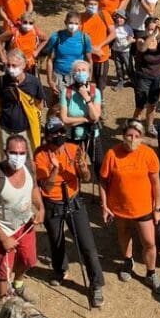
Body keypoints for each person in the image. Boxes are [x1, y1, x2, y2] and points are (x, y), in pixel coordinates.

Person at [34, 118, 105, 305]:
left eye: (61, 132)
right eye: (53, 133)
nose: (58, 136)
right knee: (56, 241)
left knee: (87, 244)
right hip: (52, 203)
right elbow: (47, 188)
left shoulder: (73, 149)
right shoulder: (40, 155)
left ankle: (96, 284)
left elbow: (87, 178)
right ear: (47, 135)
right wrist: (55, 169)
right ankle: (60, 269)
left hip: (73, 201)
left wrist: (82, 167)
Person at [99, 119, 160, 294]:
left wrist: (158, 208)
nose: (133, 139)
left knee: (149, 242)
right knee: (124, 234)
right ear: (123, 135)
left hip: (144, 208)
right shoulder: (112, 154)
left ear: (142, 137)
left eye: (137, 136)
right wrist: (104, 205)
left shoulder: (148, 154)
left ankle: (151, 272)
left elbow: (156, 183)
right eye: (129, 135)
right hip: (119, 207)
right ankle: (128, 262)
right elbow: (103, 181)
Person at [0, 135, 43, 300]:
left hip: (26, 225)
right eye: (13, 152)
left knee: (27, 259)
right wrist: (3, 238)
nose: (18, 157)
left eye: (22, 153)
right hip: (4, 230)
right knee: (3, 273)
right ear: (5, 152)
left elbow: (34, 188)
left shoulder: (30, 167)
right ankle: (2, 305)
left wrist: (41, 208)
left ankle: (18, 284)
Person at [0, 49, 44, 151]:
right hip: (5, 128)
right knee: (7, 159)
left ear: (24, 65)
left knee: (27, 160)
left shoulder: (34, 82)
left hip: (26, 130)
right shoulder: (1, 81)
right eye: (8, 65)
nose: (11, 69)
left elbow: (39, 103)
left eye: (14, 65)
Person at [58, 59, 103, 171]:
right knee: (72, 167)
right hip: (72, 136)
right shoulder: (66, 92)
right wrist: (86, 119)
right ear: (73, 74)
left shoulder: (95, 92)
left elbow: (95, 117)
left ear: (88, 73)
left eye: (83, 70)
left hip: (92, 136)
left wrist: (87, 98)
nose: (80, 73)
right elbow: (64, 119)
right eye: (77, 71)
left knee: (100, 166)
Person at [131, 17, 160, 131]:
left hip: (157, 77)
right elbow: (143, 48)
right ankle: (134, 127)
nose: (151, 31)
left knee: (152, 104)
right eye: (149, 29)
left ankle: (149, 126)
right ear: (145, 28)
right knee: (140, 106)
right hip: (143, 78)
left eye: (154, 29)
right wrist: (153, 34)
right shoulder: (140, 40)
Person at [45, 11, 93, 93]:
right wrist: (50, 80)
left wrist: (88, 79)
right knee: (58, 103)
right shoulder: (56, 37)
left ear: (80, 24)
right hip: (59, 76)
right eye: (70, 23)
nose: (73, 26)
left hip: (78, 77)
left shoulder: (85, 38)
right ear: (65, 22)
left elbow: (89, 61)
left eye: (76, 23)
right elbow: (49, 60)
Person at [80, 0, 114, 90]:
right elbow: (77, 37)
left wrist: (100, 46)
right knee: (84, 81)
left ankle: (100, 100)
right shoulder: (80, 17)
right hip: (85, 57)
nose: (92, 6)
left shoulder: (104, 15)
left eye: (95, 4)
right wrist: (92, 49)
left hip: (101, 57)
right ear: (85, 4)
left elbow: (113, 33)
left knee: (100, 83)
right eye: (90, 4)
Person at [109, 10, 134, 89]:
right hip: (116, 51)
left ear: (125, 19)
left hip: (126, 51)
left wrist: (130, 40)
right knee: (118, 67)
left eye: (121, 18)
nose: (119, 20)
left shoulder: (128, 28)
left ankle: (133, 81)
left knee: (128, 66)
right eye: (118, 18)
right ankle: (120, 81)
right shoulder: (113, 27)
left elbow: (131, 37)